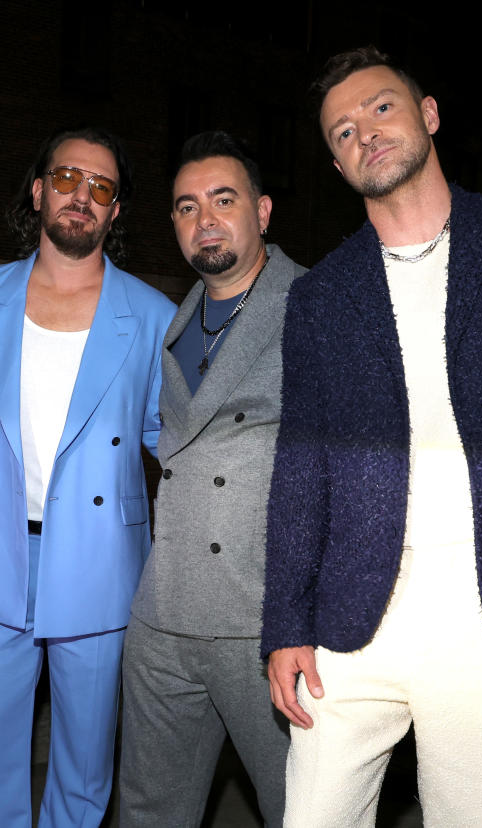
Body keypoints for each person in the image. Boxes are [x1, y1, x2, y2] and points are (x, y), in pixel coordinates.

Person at [261, 46, 482, 827]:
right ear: (334, 164)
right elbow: (301, 472)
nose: (366, 133)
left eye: (381, 108)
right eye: (344, 130)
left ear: (427, 114)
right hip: (350, 621)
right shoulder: (321, 295)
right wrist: (285, 625)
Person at [0, 127, 175, 826]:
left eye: (100, 187)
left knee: (84, 760)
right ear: (39, 190)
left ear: (115, 212)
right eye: (68, 178)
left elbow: (180, 447)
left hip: (101, 556)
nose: (82, 195)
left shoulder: (154, 316)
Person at [118, 131, 302, 826]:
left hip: (264, 626)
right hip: (164, 614)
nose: (206, 220)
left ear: (263, 210)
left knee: (304, 808)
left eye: (223, 201)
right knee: (148, 810)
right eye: (187, 207)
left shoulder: (315, 307)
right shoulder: (177, 321)